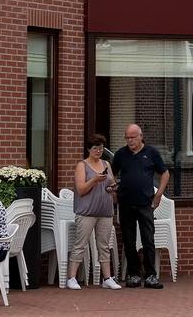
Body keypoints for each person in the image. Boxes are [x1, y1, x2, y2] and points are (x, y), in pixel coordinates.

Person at [112, 123, 169, 289]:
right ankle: (134, 274)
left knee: (148, 239)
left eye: (133, 137)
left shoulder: (151, 153)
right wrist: (114, 191)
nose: (130, 141)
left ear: (140, 136)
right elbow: (111, 174)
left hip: (145, 203)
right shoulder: (121, 154)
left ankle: (151, 275)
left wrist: (159, 194)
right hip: (125, 203)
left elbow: (165, 173)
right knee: (129, 240)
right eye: (127, 138)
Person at [66, 134, 121, 290]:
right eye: (95, 148)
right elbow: (81, 189)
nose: (98, 151)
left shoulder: (106, 164)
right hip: (86, 212)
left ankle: (107, 278)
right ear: (88, 149)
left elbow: (112, 183)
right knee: (80, 244)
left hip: (105, 211)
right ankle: (71, 278)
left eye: (101, 148)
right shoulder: (82, 165)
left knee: (104, 245)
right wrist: (95, 180)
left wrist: (112, 188)